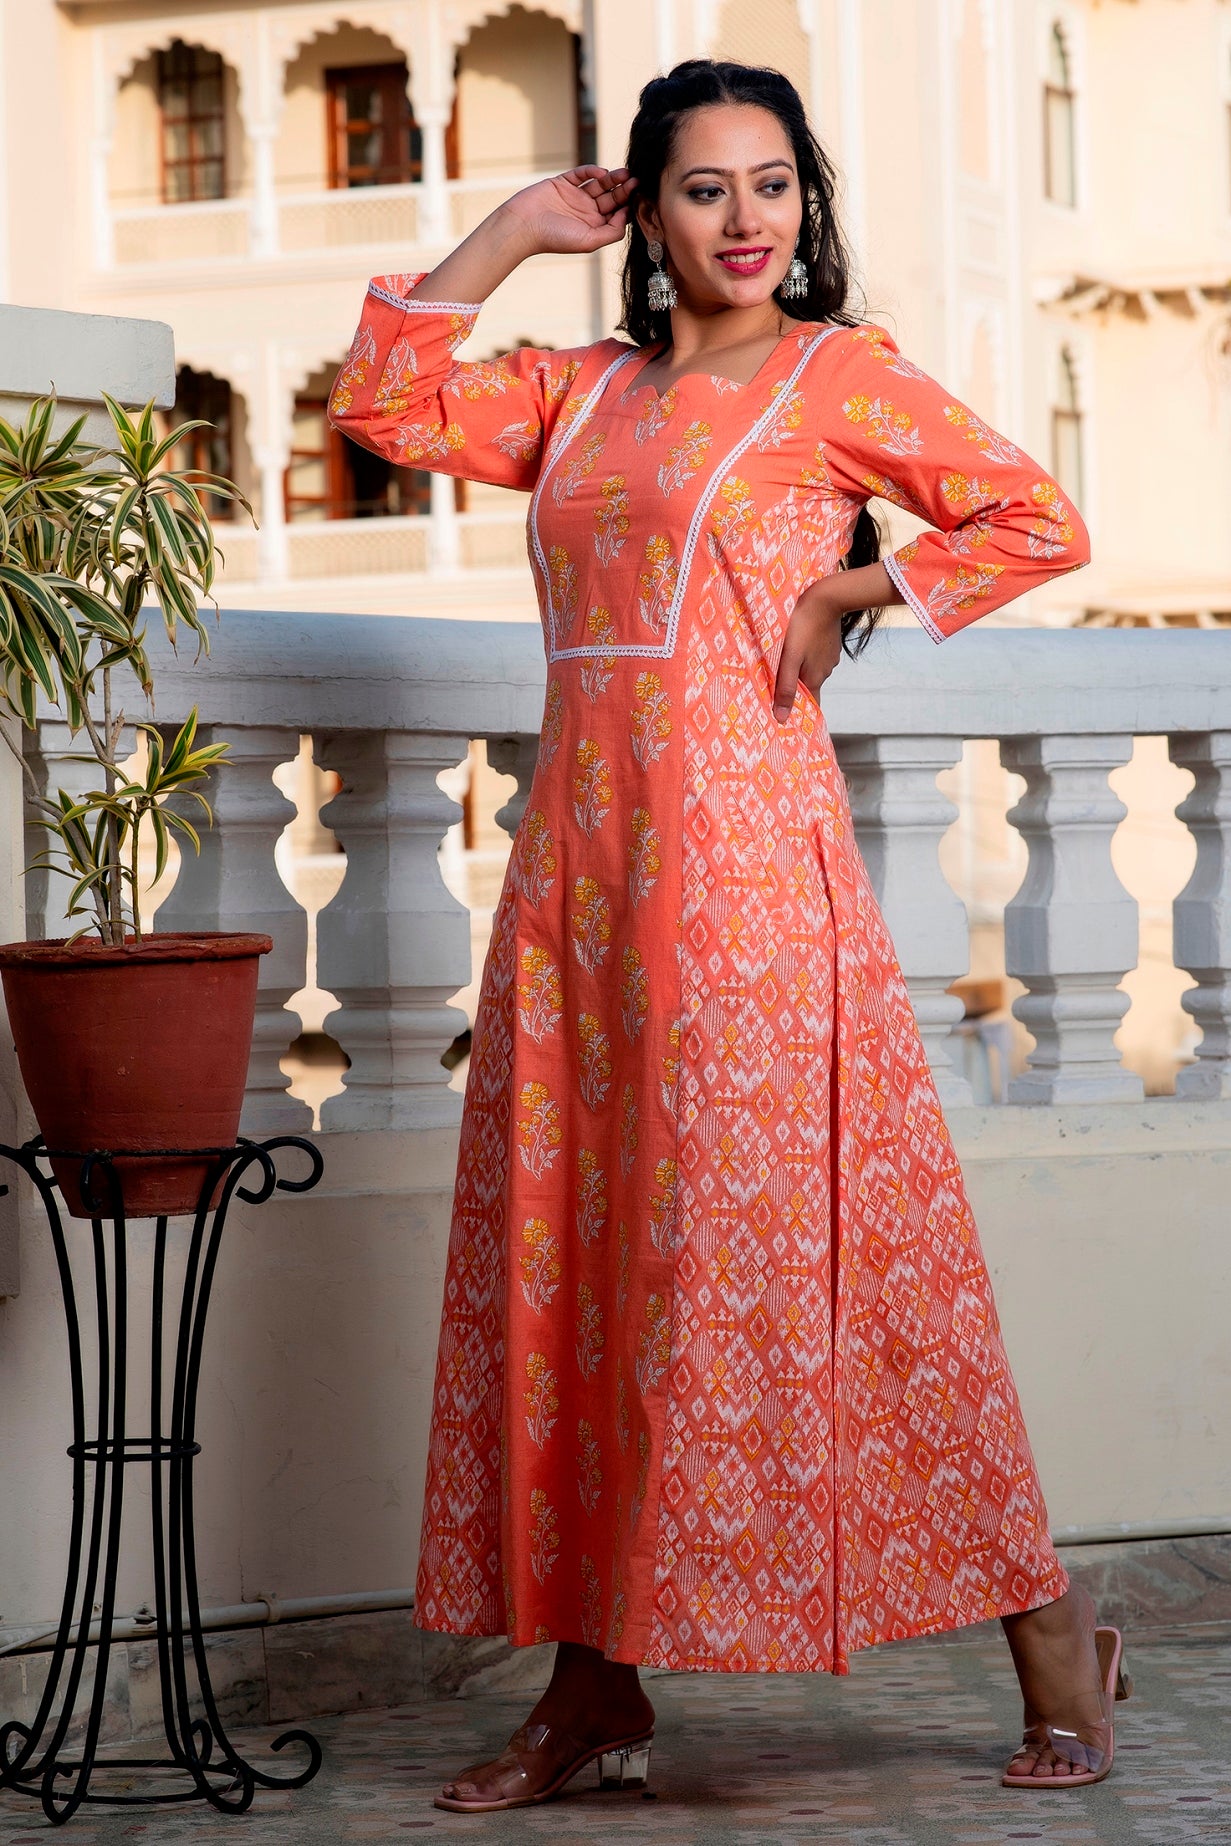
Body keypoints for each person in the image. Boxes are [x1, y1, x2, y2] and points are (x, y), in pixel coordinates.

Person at [330, 56, 1129, 1814]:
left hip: (752, 893)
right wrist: (510, 231)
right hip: (578, 891)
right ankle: (591, 1685)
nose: (748, 219)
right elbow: (385, 407)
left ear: (805, 203)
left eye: (775, 184)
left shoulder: (838, 376)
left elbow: (1036, 516)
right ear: (651, 209)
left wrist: (861, 583)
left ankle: (1050, 1626)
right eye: (706, 188)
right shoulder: (581, 392)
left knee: (844, 1266)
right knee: (576, 1266)